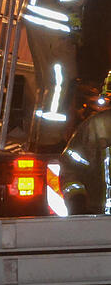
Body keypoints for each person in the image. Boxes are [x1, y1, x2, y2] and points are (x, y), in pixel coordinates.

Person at [23, 0, 109, 151]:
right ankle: (50, 142)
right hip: (54, 23)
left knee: (49, 84)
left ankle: (39, 139)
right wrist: (76, 7)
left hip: (43, 19)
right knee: (62, 83)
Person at [61, 72, 111, 214]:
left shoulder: (94, 126)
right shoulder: (95, 127)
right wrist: (77, 200)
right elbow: (71, 168)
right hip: (98, 220)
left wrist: (77, 202)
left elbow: (70, 168)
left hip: (97, 220)